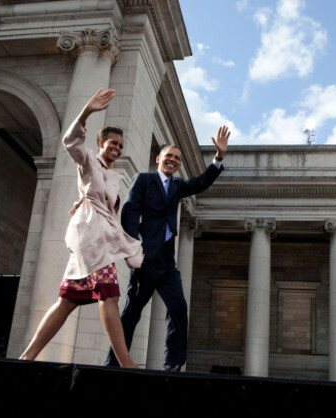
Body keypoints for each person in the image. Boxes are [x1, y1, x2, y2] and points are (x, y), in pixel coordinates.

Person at [19, 88, 143, 367]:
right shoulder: (88, 160)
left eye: (121, 146)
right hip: (90, 235)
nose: (117, 148)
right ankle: (126, 363)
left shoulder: (113, 176)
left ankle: (27, 357)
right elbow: (69, 141)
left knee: (69, 300)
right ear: (100, 142)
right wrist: (87, 112)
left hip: (102, 238)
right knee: (109, 295)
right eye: (113, 142)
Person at [105, 126, 230, 371]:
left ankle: (173, 365)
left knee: (179, 308)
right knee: (132, 312)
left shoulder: (177, 186)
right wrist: (132, 248)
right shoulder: (144, 179)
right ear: (158, 159)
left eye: (177, 158)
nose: (173, 160)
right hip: (145, 258)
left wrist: (218, 158)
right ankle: (113, 363)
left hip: (167, 262)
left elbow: (200, 183)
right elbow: (130, 211)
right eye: (169, 156)